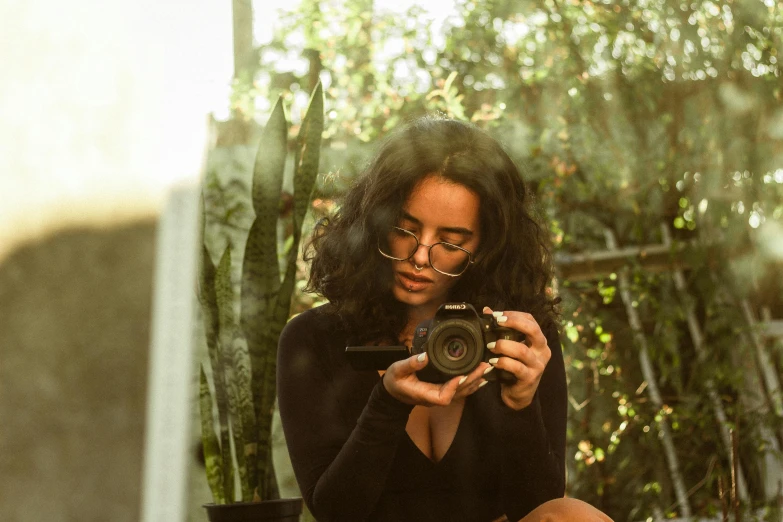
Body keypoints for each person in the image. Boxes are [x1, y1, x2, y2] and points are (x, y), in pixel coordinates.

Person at [277, 116, 612, 522]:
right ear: (375, 222)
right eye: (405, 229)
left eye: (451, 242)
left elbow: (538, 506)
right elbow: (335, 511)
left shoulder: (517, 337)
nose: (420, 257)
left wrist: (520, 406)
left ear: (487, 245)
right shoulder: (314, 339)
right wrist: (388, 403)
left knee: (571, 514)